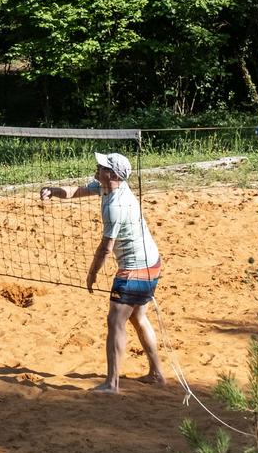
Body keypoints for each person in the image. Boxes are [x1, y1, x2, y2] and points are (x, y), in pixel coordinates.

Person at [41, 152, 167, 393]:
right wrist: (53, 190)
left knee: (115, 320)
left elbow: (105, 248)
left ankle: (112, 384)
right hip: (152, 261)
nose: (97, 167)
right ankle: (157, 374)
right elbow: (76, 191)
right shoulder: (108, 187)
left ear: (112, 174)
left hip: (136, 269)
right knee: (138, 317)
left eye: (102, 166)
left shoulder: (116, 206)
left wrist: (91, 274)